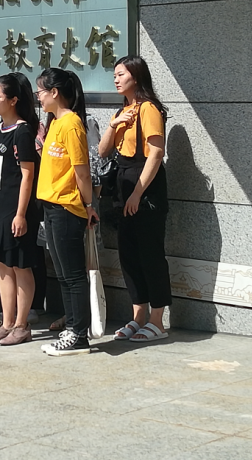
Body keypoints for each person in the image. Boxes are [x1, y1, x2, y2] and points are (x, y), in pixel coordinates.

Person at [98, 55, 170, 342]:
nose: (116, 79)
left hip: (145, 188)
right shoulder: (123, 111)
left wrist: (138, 193)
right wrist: (114, 124)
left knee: (150, 254)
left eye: (121, 74)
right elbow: (102, 151)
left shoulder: (148, 108)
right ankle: (138, 316)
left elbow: (157, 153)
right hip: (123, 185)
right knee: (128, 255)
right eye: (115, 74)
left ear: (136, 77)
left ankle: (157, 320)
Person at [35, 68, 98, 356]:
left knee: (72, 276)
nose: (39, 97)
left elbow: (82, 172)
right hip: (52, 206)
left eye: (41, 91)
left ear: (55, 92)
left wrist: (89, 205)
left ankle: (78, 334)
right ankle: (72, 329)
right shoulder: (56, 123)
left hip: (68, 208)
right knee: (62, 275)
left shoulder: (71, 124)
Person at [0, 73, 41, 346]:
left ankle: (22, 325)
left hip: (15, 208)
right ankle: (6, 323)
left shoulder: (23, 131)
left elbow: (28, 175)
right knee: (2, 266)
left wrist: (20, 214)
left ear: (13, 100)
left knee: (20, 266)